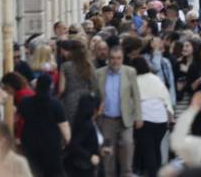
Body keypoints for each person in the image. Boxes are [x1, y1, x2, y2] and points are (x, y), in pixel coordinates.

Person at [96, 46, 143, 177]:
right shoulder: (99, 73)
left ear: (122, 59)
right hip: (106, 120)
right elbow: (94, 95)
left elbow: (136, 95)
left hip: (125, 119)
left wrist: (139, 116)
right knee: (108, 152)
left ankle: (126, 173)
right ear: (108, 58)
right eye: (112, 58)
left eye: (118, 58)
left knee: (127, 146)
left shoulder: (130, 72)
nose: (115, 61)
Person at [17, 74, 70, 177]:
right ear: (50, 87)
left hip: (29, 141)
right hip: (50, 144)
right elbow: (64, 126)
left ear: (37, 86)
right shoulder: (56, 105)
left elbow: (17, 118)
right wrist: (68, 142)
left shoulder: (25, 102)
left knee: (32, 172)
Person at [133, 57, 173, 177]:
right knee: (156, 149)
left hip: (145, 119)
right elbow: (166, 99)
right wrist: (170, 116)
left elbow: (132, 101)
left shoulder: (135, 81)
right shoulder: (156, 79)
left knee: (149, 151)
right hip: (161, 120)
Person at [59, 39, 99, 124]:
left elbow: (61, 89)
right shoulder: (89, 66)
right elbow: (95, 85)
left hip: (70, 101)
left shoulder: (65, 66)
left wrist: (57, 98)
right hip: (86, 100)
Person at [64, 93, 103, 177]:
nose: (102, 108)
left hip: (88, 166)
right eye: (100, 105)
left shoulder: (91, 122)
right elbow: (74, 145)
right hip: (83, 167)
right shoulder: (87, 125)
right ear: (94, 108)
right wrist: (90, 157)